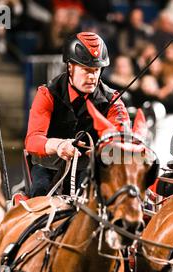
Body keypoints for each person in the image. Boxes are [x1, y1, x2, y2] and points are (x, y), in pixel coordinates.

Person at [25, 32, 130, 197]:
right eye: (86, 70)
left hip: (90, 168)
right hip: (49, 167)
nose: (92, 77)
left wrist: (106, 149)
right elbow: (32, 140)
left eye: (96, 70)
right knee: (39, 195)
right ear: (70, 67)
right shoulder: (47, 94)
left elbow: (123, 138)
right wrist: (59, 146)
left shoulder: (113, 100)